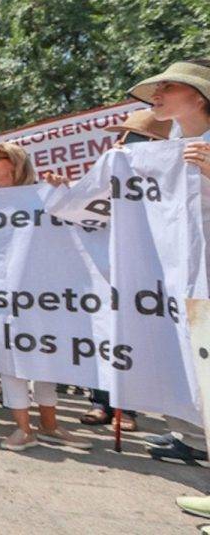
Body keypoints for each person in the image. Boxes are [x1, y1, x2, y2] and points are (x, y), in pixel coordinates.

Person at [0, 142, 92, 451]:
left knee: (45, 358)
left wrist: (64, 191)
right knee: (11, 360)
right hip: (0, 294)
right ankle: (24, 428)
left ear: (15, 162)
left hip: (41, 293)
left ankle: (50, 424)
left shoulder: (43, 194)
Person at [127, 59, 210, 463]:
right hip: (191, 286)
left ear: (198, 95)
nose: (155, 96)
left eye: (167, 87)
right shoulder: (170, 152)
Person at [76, 109, 171, 432]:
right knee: (105, 335)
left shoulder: (166, 178)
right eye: (120, 138)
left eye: (129, 139)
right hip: (105, 272)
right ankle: (101, 403)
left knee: (135, 339)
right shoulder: (107, 174)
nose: (119, 144)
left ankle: (127, 409)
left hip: (145, 274)